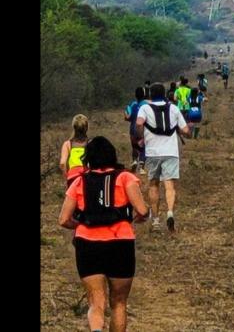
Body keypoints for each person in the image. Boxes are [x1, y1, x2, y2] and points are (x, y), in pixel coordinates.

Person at [59, 136, 149, 332]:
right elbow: (142, 210)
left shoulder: (79, 181)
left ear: (88, 158)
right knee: (119, 303)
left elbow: (63, 219)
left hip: (88, 245)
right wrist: (137, 218)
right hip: (120, 244)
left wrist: (81, 224)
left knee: (96, 302)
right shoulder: (125, 177)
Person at [135, 83, 192, 232]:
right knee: (169, 186)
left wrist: (141, 136)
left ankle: (155, 221)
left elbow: (139, 123)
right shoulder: (173, 108)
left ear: (150, 95)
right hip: (171, 152)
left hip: (152, 153)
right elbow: (186, 130)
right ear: (165, 94)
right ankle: (170, 212)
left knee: (153, 185)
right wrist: (187, 132)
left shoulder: (145, 108)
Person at [60, 114, 89, 187]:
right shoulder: (91, 143)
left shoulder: (67, 144)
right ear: (87, 127)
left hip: (73, 177)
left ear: (73, 127)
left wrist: (66, 178)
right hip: (87, 176)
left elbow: (62, 163)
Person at [124, 87, 148, 174]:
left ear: (135, 95)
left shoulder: (132, 104)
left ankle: (134, 160)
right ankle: (141, 167)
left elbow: (127, 117)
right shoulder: (146, 105)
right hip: (142, 129)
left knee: (134, 146)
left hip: (132, 129)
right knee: (143, 147)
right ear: (144, 95)